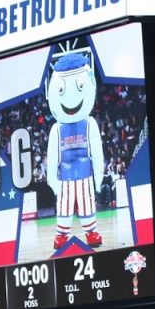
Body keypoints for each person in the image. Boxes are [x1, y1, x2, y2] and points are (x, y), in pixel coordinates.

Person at [44, 51, 104, 250]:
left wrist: (99, 176)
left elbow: (97, 153)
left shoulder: (90, 123)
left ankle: (91, 231)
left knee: (87, 204)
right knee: (64, 207)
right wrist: (52, 180)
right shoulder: (56, 129)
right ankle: (62, 234)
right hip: (65, 178)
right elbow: (51, 159)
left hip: (85, 174)